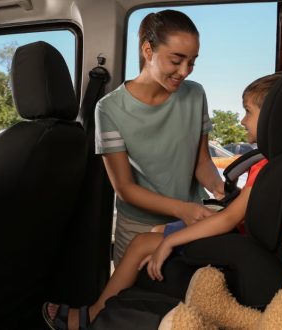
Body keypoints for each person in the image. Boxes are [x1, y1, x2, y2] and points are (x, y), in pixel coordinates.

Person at [43, 73, 282, 330]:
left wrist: (171, 241)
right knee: (154, 233)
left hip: (239, 246)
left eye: (248, 112)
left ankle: (91, 316)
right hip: (241, 240)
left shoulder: (266, 167)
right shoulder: (278, 162)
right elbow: (125, 187)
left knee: (143, 243)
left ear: (272, 115)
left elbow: (227, 219)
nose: (242, 120)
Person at [95, 9, 224, 267]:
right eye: (176, 60)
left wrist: (222, 191)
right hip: (137, 227)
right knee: (125, 302)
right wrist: (181, 209)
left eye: (192, 61)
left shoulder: (196, 94)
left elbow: (201, 162)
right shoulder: (109, 108)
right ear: (147, 51)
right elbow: (125, 188)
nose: (185, 71)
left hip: (187, 224)